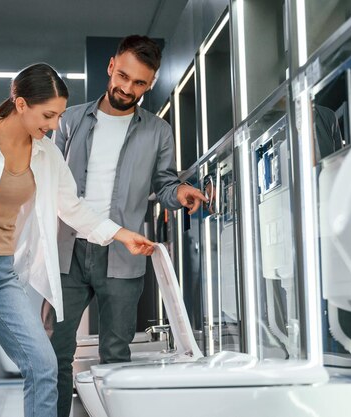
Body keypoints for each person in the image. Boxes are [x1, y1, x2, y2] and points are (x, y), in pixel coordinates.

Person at [0, 63, 154, 417]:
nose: (55, 125)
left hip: (1, 271)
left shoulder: (47, 153)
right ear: (21, 104)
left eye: (58, 115)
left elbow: (71, 208)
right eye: (48, 114)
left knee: (43, 366)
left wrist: (120, 235)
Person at [46, 35, 207, 416]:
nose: (127, 88)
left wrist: (180, 192)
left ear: (150, 84)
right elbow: (50, 180)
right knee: (52, 352)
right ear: (111, 66)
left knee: (116, 356)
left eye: (139, 83)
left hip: (124, 253)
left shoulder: (158, 131)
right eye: (123, 76)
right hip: (67, 250)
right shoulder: (69, 120)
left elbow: (164, 185)